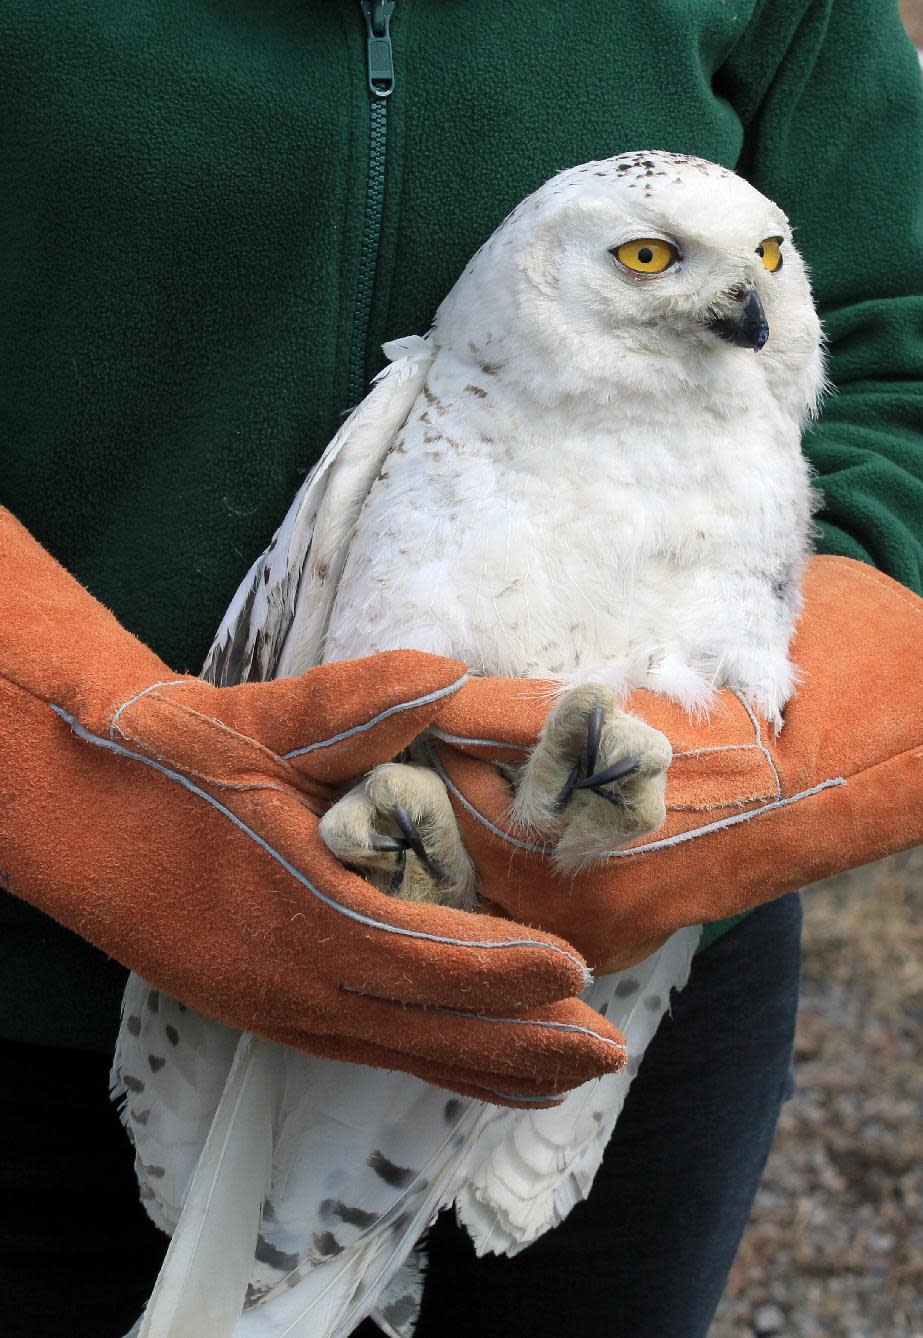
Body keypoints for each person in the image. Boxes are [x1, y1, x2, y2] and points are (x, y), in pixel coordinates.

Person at [1, 2, 921, 1335]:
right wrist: (76, 780)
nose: (730, 301)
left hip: (614, 988)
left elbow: (903, 338)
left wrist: (771, 761)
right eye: (655, 260)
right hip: (40, 980)